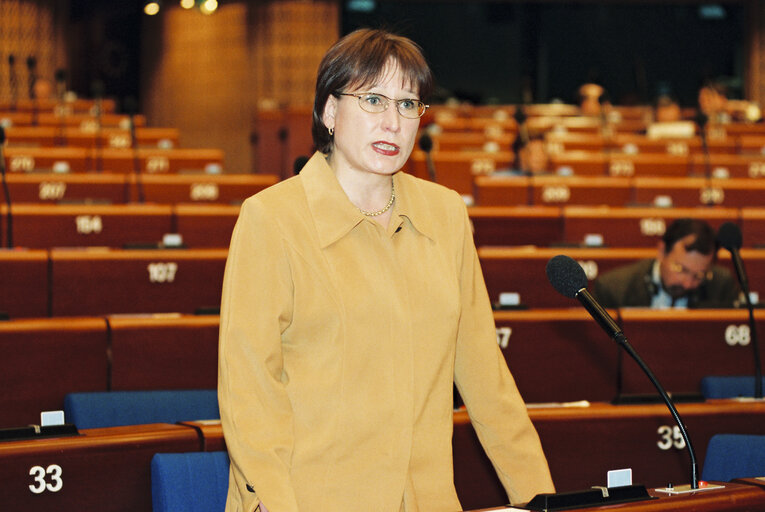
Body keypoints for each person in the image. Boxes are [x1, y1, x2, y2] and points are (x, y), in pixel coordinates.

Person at [218, 28, 554, 512]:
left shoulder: (445, 214)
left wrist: (539, 499)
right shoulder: (271, 219)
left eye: (408, 104)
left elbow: (487, 378)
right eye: (373, 100)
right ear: (329, 112)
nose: (393, 123)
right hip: (307, 499)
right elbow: (249, 389)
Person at [592, 218, 742, 309]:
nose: (687, 284)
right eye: (680, 269)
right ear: (662, 251)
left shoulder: (722, 287)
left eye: (699, 275)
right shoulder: (613, 289)